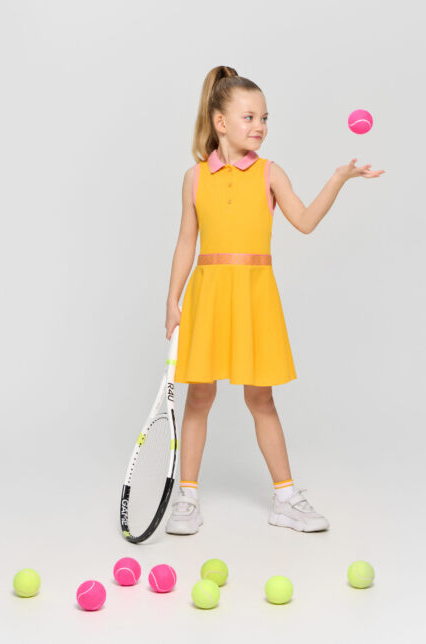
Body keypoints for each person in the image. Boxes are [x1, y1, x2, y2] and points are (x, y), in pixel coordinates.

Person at [164, 65, 384, 535]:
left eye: (264, 118)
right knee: (199, 395)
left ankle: (285, 497)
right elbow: (186, 242)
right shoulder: (194, 178)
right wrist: (172, 301)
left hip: (254, 296)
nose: (259, 126)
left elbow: (304, 221)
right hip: (208, 296)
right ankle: (187, 496)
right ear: (220, 122)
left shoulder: (269, 173)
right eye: (249, 117)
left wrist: (339, 178)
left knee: (260, 397)